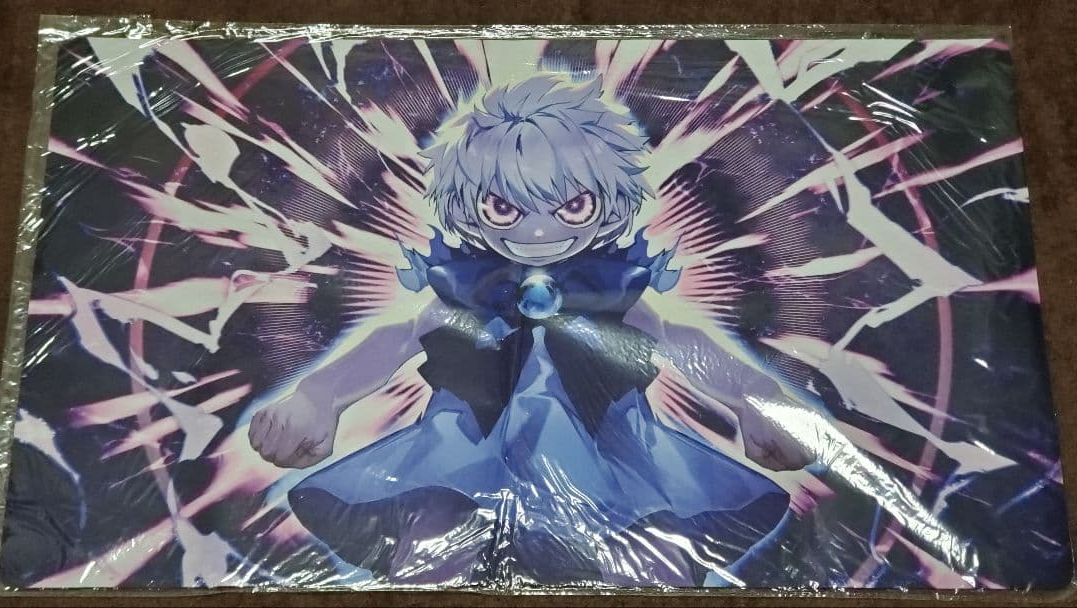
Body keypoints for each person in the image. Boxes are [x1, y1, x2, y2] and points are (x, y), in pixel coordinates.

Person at [249, 74, 813, 587]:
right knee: (432, 557)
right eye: (503, 207)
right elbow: (393, 339)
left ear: (608, 202)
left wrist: (756, 396)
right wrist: (317, 396)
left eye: (573, 205)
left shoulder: (611, 292)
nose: (538, 230)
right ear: (468, 206)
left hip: (612, 462)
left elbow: (681, 342)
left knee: (653, 563)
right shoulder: (463, 292)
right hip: (464, 459)